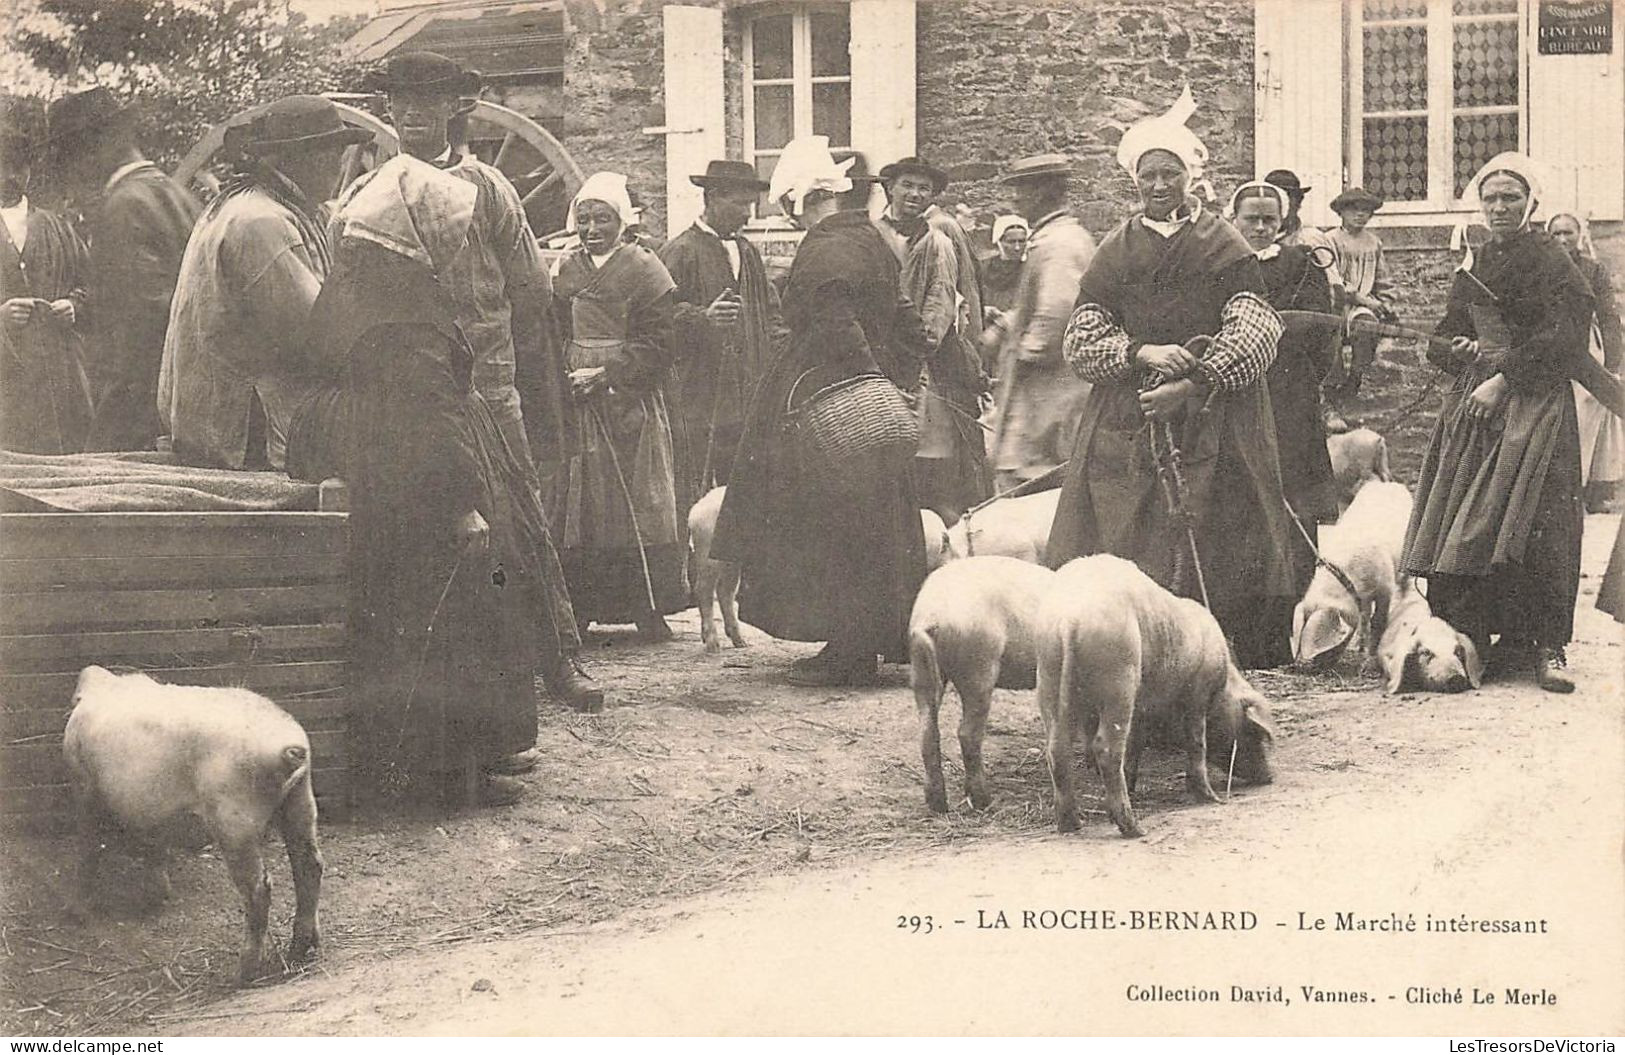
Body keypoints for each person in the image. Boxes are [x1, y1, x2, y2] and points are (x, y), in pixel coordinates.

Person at [305, 154, 577, 807]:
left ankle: (419, 764)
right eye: (446, 229)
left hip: (378, 467)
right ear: (415, 230)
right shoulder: (406, 304)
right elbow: (428, 408)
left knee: (398, 615)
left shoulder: (353, 283)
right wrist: (462, 503)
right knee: (457, 613)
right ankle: (452, 774)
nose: (453, 242)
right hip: (424, 475)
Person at [359, 50, 602, 713]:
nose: (410, 112)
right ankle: (464, 684)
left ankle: (562, 658)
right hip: (414, 391)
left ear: (452, 108)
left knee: (519, 518)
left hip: (488, 385)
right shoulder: (373, 188)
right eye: (400, 101)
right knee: (428, 523)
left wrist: (496, 360)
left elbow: (528, 289)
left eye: (427, 99)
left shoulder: (488, 187)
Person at [1048, 88, 1293, 668]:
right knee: (1126, 531)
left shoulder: (1221, 242)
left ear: (1190, 177)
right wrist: (1141, 353)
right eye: (1148, 176)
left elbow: (1257, 326)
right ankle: (1133, 658)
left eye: (1170, 174)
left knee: (1226, 524)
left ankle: (1214, 663)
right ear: (1135, 182)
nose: (1159, 186)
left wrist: (1198, 380)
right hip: (1132, 415)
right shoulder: (1117, 247)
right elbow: (1080, 337)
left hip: (1217, 415)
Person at [711, 135, 929, 687]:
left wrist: (859, 378)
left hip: (834, 408)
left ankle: (848, 647)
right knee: (876, 523)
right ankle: (866, 639)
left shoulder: (824, 247)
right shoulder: (873, 239)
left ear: (801, 198)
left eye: (788, 204)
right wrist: (893, 381)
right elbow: (909, 323)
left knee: (832, 525)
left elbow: (834, 324)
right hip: (871, 405)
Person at [1401, 154, 1596, 693]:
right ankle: (1477, 635)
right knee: (1467, 518)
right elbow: (1449, 331)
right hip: (1477, 409)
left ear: (1531, 203)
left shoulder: (1555, 262)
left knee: (1539, 524)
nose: (1499, 207)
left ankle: (1544, 644)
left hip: (1533, 405)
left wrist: (1505, 377)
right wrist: (1458, 348)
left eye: (1511, 197)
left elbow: (1566, 337)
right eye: (1491, 198)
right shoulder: (1478, 262)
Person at [159, 96, 371, 471]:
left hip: (227, 415)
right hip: (242, 431)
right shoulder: (260, 222)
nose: (338, 163)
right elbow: (318, 335)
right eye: (329, 151)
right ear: (298, 158)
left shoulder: (267, 207)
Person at [551, 172, 687, 641]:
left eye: (603, 219)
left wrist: (608, 375)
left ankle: (648, 607)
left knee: (636, 498)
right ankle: (583, 607)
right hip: (577, 395)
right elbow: (555, 334)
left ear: (622, 222)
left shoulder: (645, 269)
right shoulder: (565, 269)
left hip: (628, 400)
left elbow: (659, 343)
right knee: (582, 501)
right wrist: (563, 375)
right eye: (584, 218)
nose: (592, 229)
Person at [45, 87, 199, 451]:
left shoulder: (124, 205)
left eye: (73, 152)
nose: (72, 167)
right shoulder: (177, 193)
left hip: (145, 410)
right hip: (185, 396)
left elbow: (138, 334)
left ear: (101, 143)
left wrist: (109, 434)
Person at [1228, 179, 1338, 666]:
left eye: (1268, 219)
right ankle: (1234, 629)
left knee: (1290, 513)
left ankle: (1281, 633)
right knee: (1237, 512)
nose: (1259, 226)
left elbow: (1321, 337)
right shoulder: (1221, 264)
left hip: (1288, 403)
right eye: (1250, 218)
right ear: (1234, 219)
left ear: (1283, 221)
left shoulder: (1301, 266)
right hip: (1233, 402)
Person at [658, 159, 784, 519]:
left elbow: (771, 316)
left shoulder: (748, 253)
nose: (747, 214)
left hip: (746, 400)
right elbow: (655, 319)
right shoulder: (679, 252)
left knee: (742, 494)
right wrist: (702, 318)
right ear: (712, 198)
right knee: (694, 492)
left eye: (750, 205)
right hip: (699, 401)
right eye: (740, 204)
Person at [878, 156, 991, 523]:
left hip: (921, 366)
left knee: (930, 469)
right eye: (907, 185)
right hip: (876, 362)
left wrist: (915, 348)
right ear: (890, 188)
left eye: (923, 188)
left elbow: (940, 306)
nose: (914, 194)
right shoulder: (872, 235)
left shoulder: (936, 244)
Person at [987, 154, 1096, 491]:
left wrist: (1022, 353)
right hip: (1046, 392)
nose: (1016, 199)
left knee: (1029, 480)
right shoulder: (1054, 239)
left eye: (1021, 190)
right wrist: (1004, 326)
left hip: (1050, 391)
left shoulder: (1059, 245)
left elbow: (1058, 313)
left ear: (1043, 192)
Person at [0, 102, 93, 454]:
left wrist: (74, 305)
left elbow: (93, 286)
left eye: (18, 166)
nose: (9, 175)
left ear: (29, 169)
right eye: (2, 165)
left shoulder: (57, 227)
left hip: (58, 380)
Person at [1547, 212, 1624, 512]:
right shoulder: (1543, 268)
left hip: (1587, 348)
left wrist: (1613, 364)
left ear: (1579, 235)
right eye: (1556, 234)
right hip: (1552, 348)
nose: (1563, 239)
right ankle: (1562, 492)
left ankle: (1589, 488)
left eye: (1568, 232)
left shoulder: (1593, 270)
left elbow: (1608, 316)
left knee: (1589, 412)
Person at [1325, 185, 1393, 425]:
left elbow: (1383, 279)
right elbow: (1330, 277)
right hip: (1335, 302)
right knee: (1329, 334)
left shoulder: (1373, 243)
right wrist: (1362, 299)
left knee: (1367, 327)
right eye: (1353, 209)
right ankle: (1332, 389)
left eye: (1365, 211)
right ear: (1341, 212)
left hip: (1362, 306)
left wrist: (1384, 303)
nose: (1360, 215)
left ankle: (1354, 379)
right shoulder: (1330, 239)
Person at [978, 213, 1029, 331]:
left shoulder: (1029, 270)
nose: (1017, 247)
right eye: (1011, 242)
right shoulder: (982, 268)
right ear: (999, 241)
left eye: (1021, 241)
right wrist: (982, 310)